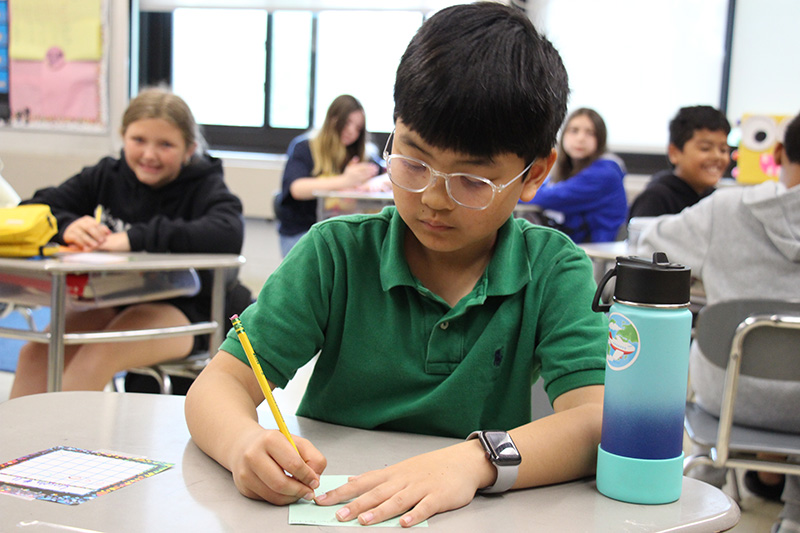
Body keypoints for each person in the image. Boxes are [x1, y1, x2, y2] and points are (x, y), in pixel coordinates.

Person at [186, 3, 607, 528]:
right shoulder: (336, 254)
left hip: (476, 515)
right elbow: (218, 386)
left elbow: (596, 421)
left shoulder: (551, 268)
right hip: (335, 511)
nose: (433, 198)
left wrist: (473, 461)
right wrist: (243, 443)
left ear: (534, 174)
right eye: (412, 161)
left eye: (472, 181)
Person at [9, 87, 246, 398]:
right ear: (123, 137)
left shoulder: (204, 184)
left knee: (98, 355)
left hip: (189, 310)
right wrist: (66, 226)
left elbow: (228, 231)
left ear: (189, 149)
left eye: (165, 145)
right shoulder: (109, 173)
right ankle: (16, 445)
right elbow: (33, 209)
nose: (149, 155)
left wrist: (134, 239)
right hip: (114, 299)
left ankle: (58, 446)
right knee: (36, 353)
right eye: (138, 141)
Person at [638, 111, 800, 533]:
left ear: (777, 152)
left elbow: (646, 241)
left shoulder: (727, 208)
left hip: (730, 397)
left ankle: (703, 493)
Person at [275, 94, 381, 256]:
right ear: (333, 119)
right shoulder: (305, 147)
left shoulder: (361, 153)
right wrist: (345, 181)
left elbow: (389, 171)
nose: (352, 132)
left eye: (358, 128)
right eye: (347, 123)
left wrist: (375, 183)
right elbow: (296, 188)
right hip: (303, 231)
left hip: (342, 233)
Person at [519, 107, 627, 243]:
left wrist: (514, 191)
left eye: (590, 133)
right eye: (574, 131)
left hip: (596, 254)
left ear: (601, 138)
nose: (580, 138)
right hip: (577, 248)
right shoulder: (565, 169)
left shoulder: (605, 173)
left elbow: (549, 196)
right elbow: (544, 188)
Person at [628, 105, 731, 221]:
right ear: (674, 153)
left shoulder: (715, 199)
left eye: (723, 150)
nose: (717, 156)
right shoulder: (656, 199)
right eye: (705, 148)